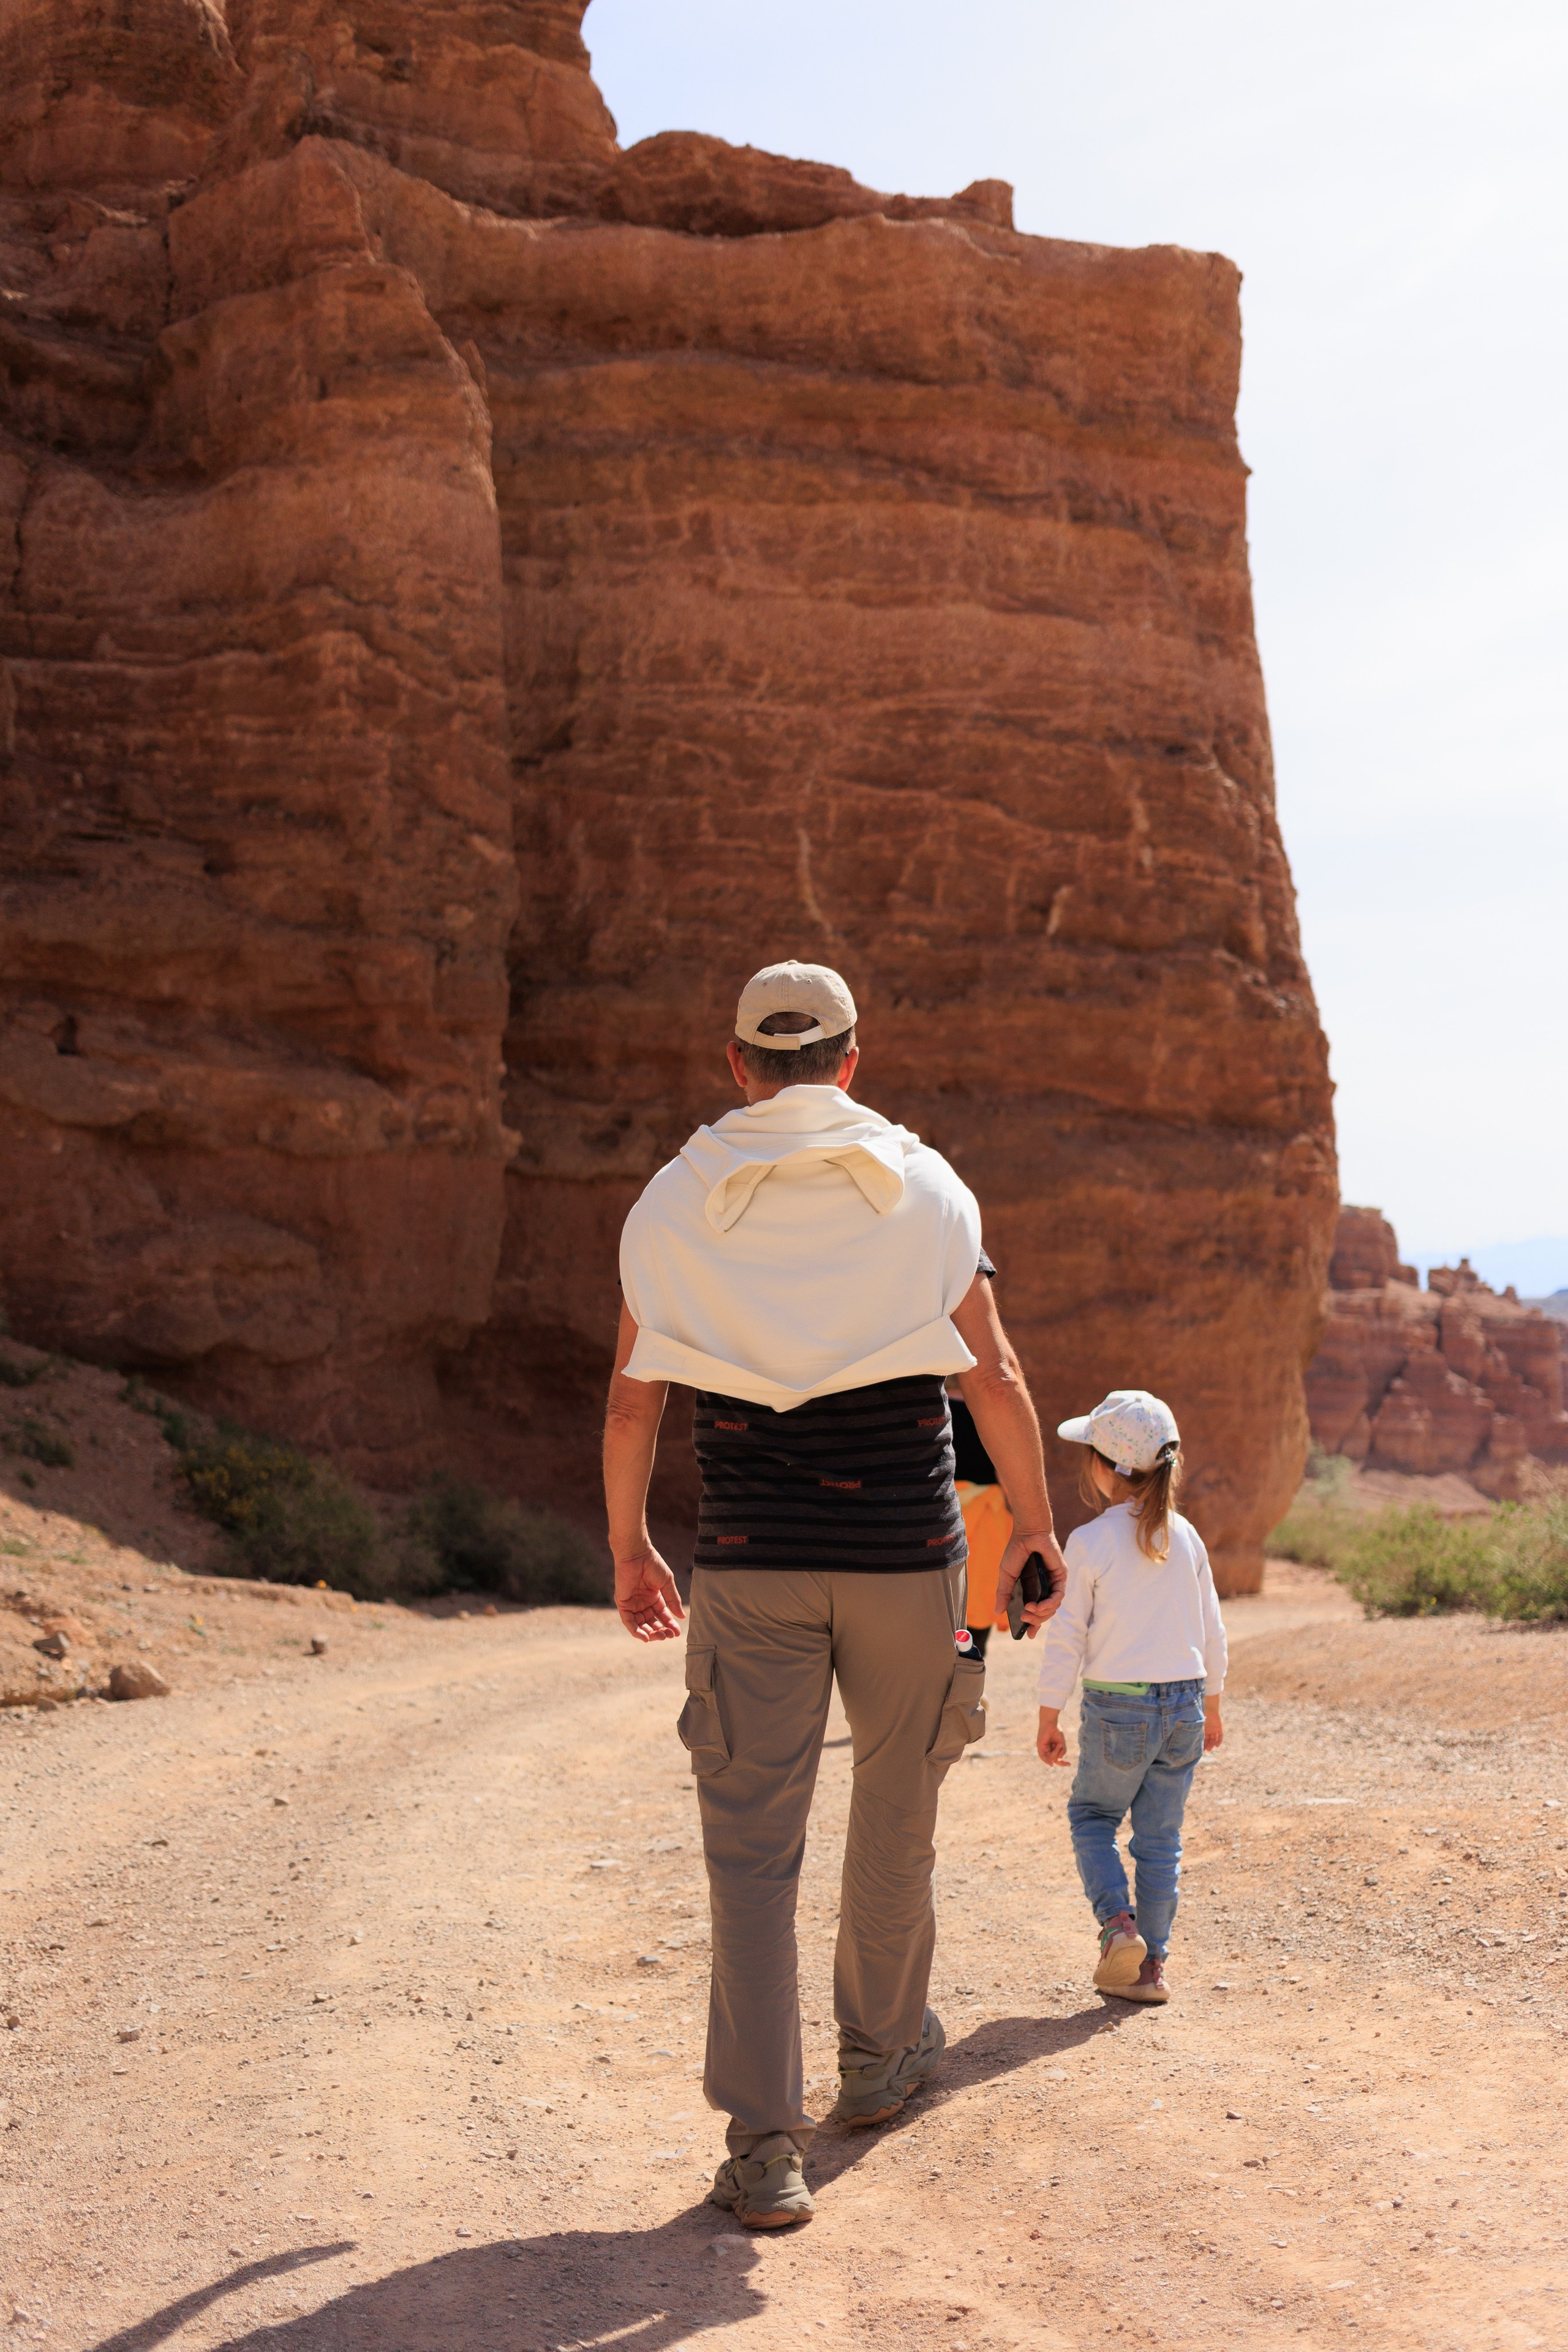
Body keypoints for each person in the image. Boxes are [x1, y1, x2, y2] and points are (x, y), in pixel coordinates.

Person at [603, 960, 1065, 2228]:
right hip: (907, 1561)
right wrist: (1033, 1527)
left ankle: (764, 2149)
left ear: (738, 1063)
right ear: (851, 1059)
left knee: (751, 1852)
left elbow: (636, 1400)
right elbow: (992, 1377)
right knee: (897, 1808)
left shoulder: (672, 1202)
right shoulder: (927, 1186)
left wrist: (631, 1546)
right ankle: (878, 2059)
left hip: (749, 1561)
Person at [1035, 1389, 1227, 2006]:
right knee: (1160, 1840)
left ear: (1104, 1467)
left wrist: (1049, 1714)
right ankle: (1152, 1969)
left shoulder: (1091, 1540)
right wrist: (1213, 1705)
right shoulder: (1188, 1538)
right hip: (1186, 1705)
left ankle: (1119, 1927)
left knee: (1092, 1816)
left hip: (1119, 1706)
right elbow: (1212, 1629)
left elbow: (1067, 1635)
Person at [949, 1392, 1013, 1661]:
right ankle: (973, 1671)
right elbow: (1006, 1468)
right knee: (980, 1596)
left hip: (945, 1509)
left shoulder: (932, 1406)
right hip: (988, 1515)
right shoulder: (991, 1409)